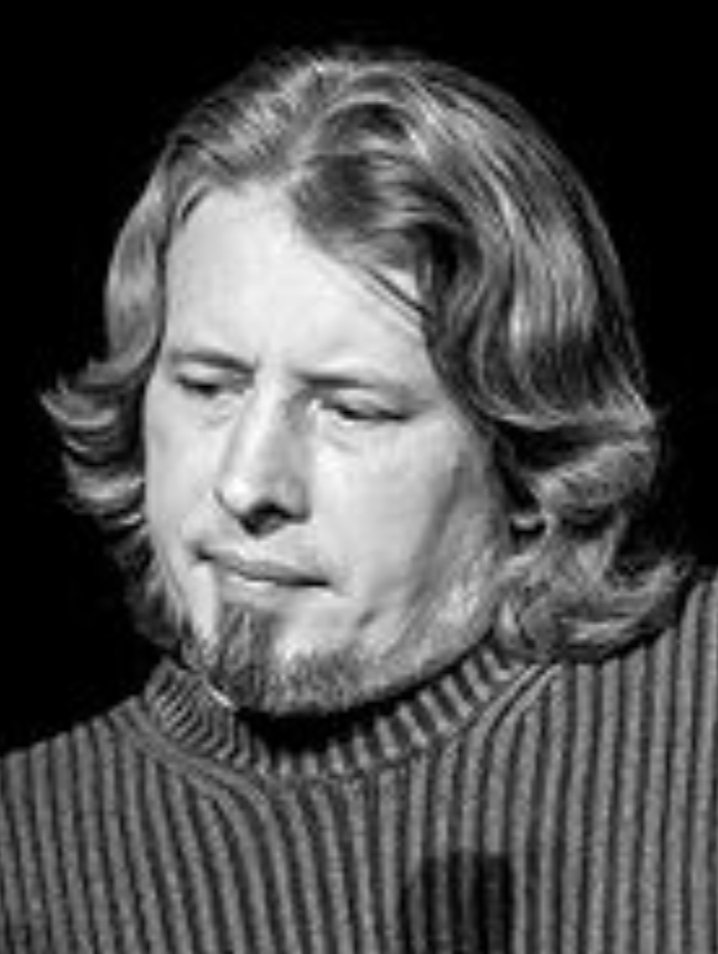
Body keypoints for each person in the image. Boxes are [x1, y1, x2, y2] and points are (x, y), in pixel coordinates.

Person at [1, 44, 715, 954]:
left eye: (350, 409)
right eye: (208, 386)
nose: (246, 484)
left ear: (529, 455)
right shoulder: (24, 850)